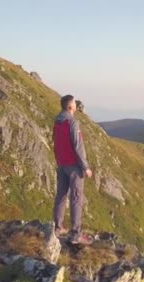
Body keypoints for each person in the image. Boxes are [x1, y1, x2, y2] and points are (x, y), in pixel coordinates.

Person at [52, 95, 93, 244]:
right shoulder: (72, 122)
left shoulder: (57, 121)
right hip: (74, 167)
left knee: (61, 195)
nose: (76, 104)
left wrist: (59, 160)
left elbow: (55, 143)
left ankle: (58, 227)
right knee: (76, 198)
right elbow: (78, 146)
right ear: (70, 107)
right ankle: (76, 234)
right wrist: (85, 167)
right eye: (75, 103)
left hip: (62, 164)